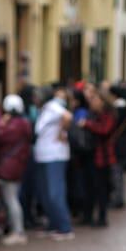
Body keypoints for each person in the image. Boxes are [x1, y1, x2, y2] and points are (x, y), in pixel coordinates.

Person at [32, 84, 75, 241]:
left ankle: (65, 227)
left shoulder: (52, 106)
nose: (34, 99)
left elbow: (68, 117)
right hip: (43, 155)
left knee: (54, 192)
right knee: (45, 193)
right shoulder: (43, 109)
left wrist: (62, 132)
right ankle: (53, 223)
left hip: (54, 156)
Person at [0, 95, 32, 245]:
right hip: (17, 164)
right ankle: (16, 229)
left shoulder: (13, 125)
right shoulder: (24, 123)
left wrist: (1, 124)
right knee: (12, 198)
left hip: (9, 165)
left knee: (11, 199)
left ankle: (18, 231)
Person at [78, 84, 118, 228]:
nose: (92, 102)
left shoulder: (108, 115)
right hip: (91, 155)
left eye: (95, 99)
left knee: (101, 188)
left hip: (102, 157)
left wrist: (88, 125)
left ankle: (102, 217)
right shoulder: (92, 114)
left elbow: (104, 130)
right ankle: (88, 215)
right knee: (89, 186)